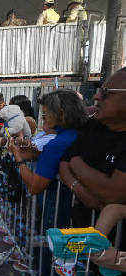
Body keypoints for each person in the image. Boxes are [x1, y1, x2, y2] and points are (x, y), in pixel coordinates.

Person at [60, 68, 126, 209]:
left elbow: (113, 194)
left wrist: (76, 163)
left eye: (106, 93)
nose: (97, 97)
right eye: (100, 90)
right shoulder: (94, 124)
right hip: (82, 224)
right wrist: (82, 191)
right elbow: (63, 164)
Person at [9, 89, 87, 195]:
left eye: (45, 114)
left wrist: (18, 156)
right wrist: (37, 155)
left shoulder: (58, 143)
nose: (43, 118)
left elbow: (34, 187)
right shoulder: (82, 133)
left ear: (60, 114)